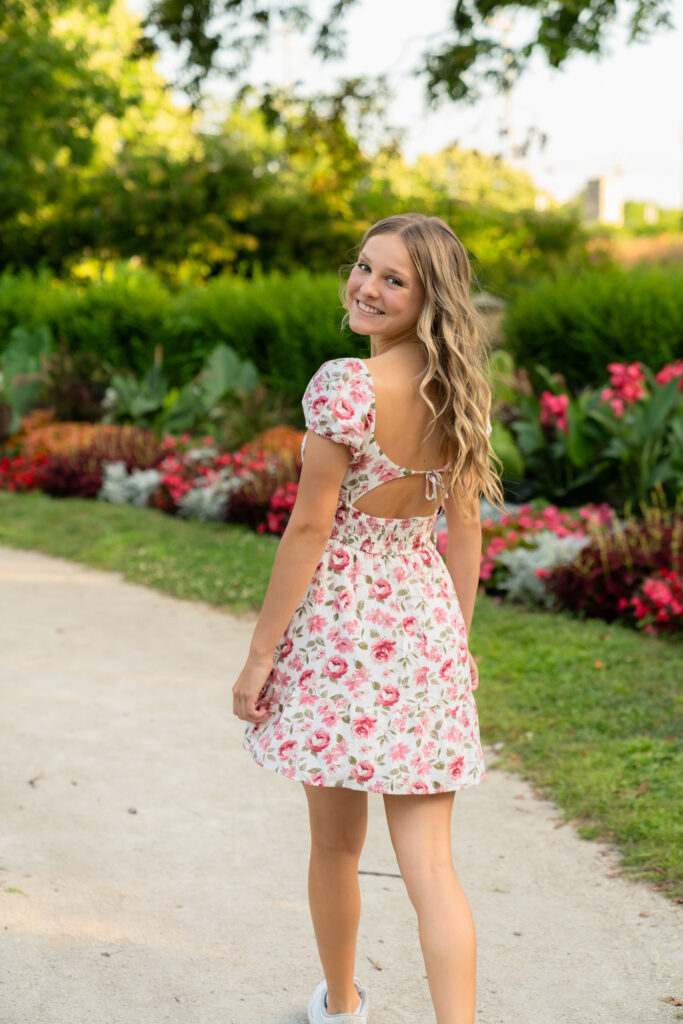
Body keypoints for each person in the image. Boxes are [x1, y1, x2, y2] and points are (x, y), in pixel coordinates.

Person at [232, 213, 505, 1024]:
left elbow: (310, 530)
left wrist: (258, 658)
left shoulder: (345, 385)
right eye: (363, 267)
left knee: (335, 846)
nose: (367, 286)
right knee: (431, 865)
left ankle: (342, 1007)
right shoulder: (458, 391)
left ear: (427, 297)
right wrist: (454, 645)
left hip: (340, 636)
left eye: (393, 278)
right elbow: (464, 534)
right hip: (421, 626)